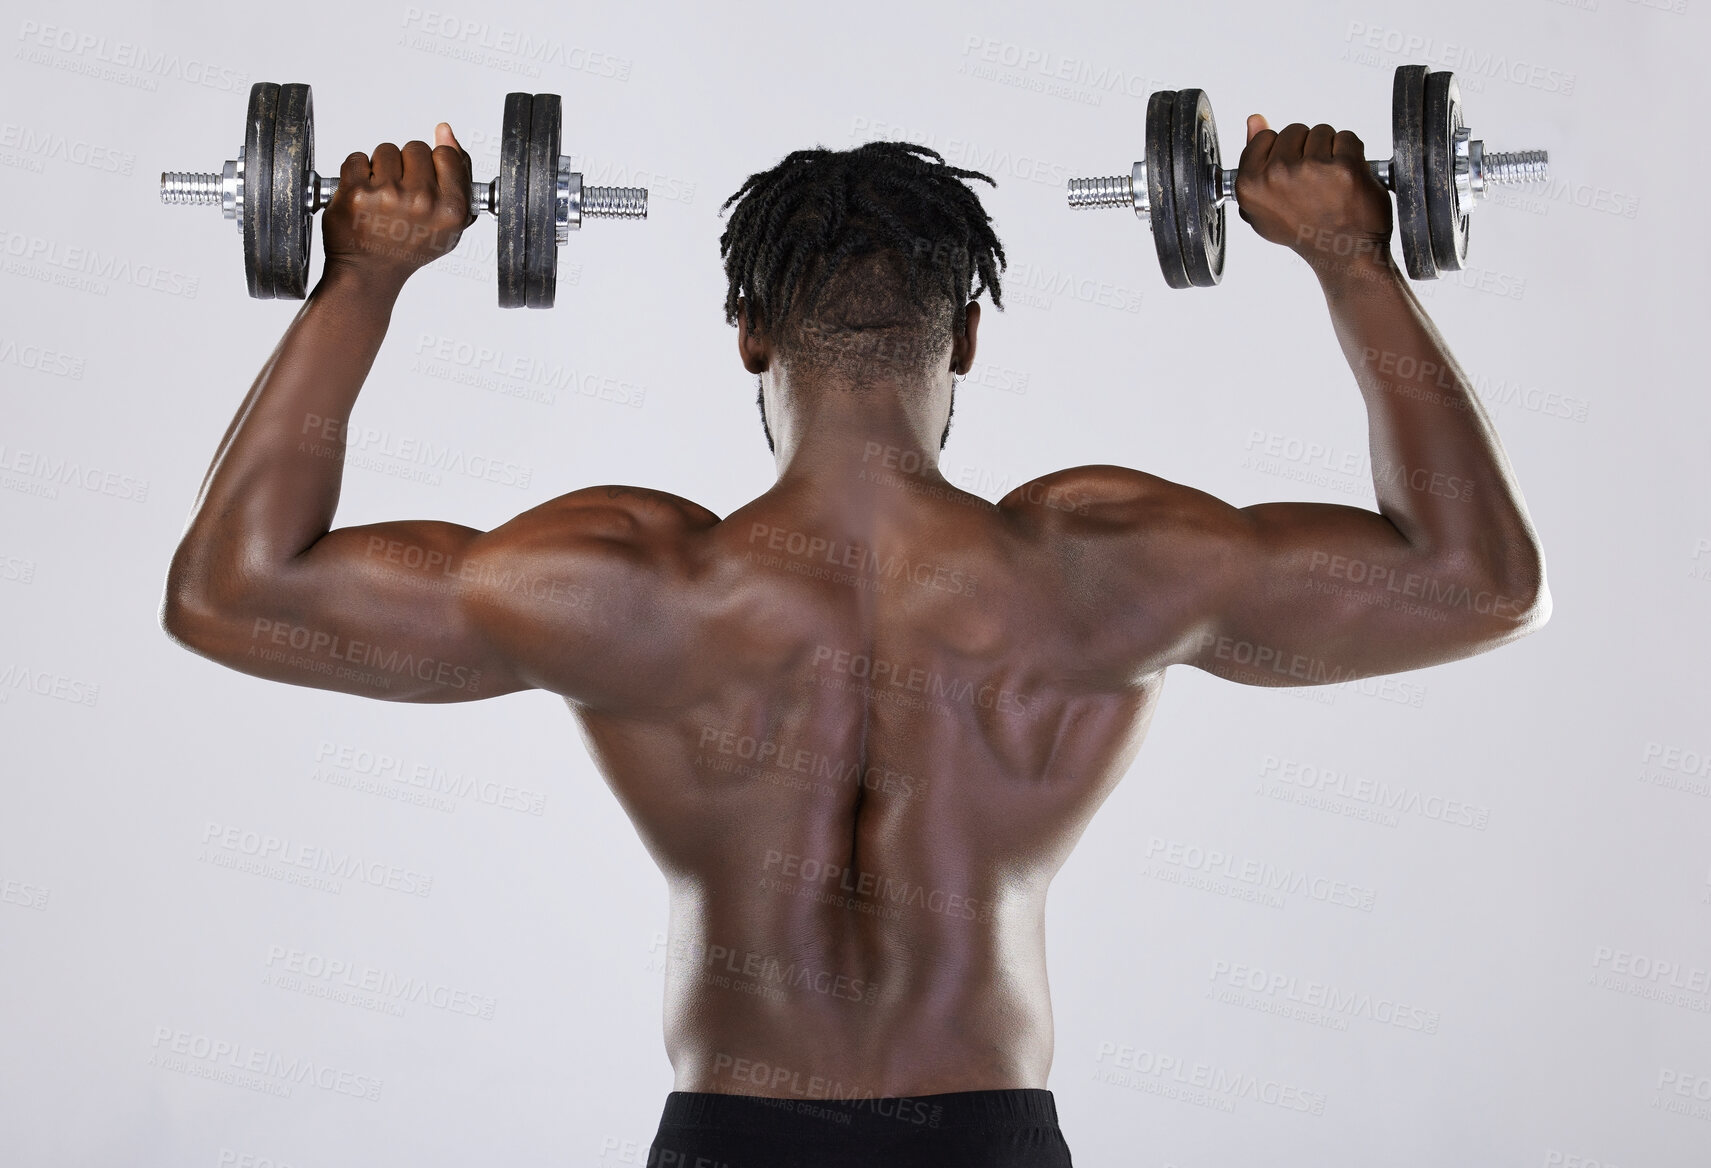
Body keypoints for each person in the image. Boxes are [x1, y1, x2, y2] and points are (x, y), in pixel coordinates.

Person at [161, 113, 1549, 1166]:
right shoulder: (1103, 564)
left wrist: (365, 270)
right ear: (972, 335)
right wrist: (1350, 253)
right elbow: (1478, 582)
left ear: (750, 333)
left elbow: (233, 592)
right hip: (991, 1134)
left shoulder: (626, 580)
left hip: (733, 1136)